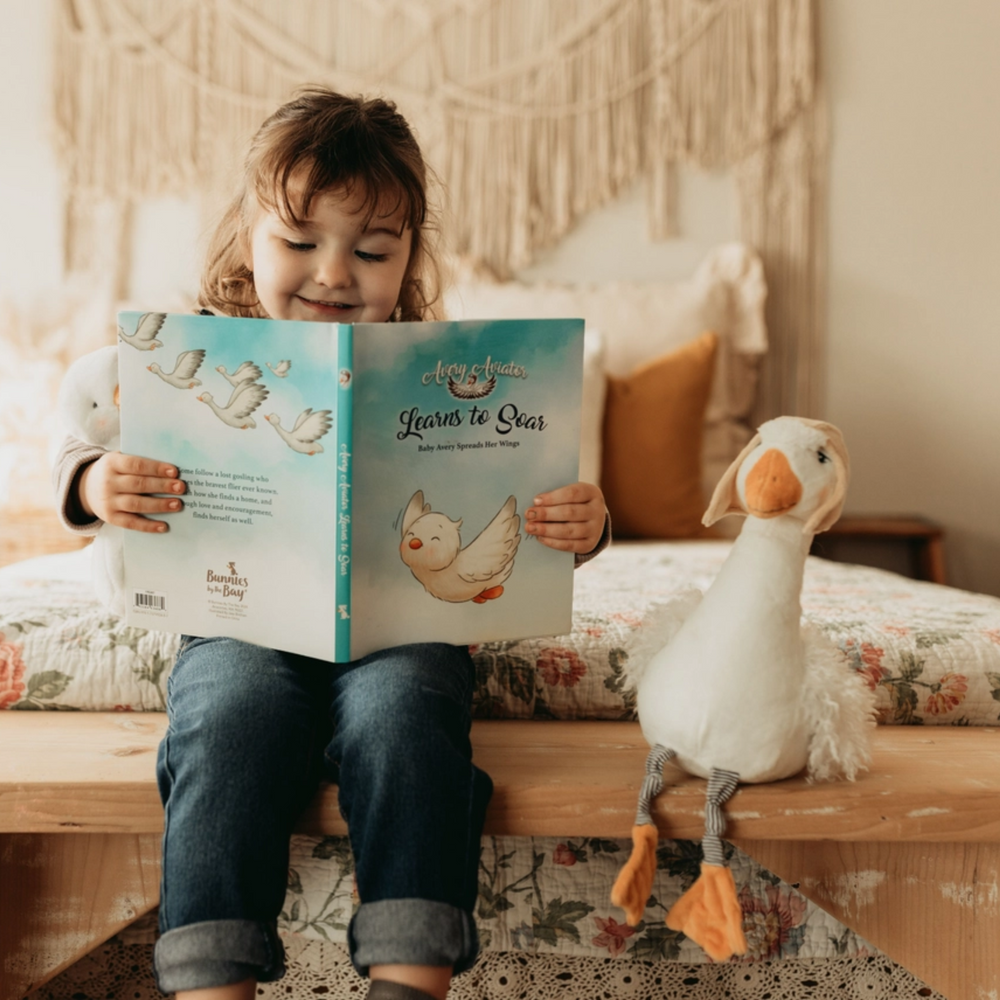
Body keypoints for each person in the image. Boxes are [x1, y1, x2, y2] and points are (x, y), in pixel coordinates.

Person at [53, 88, 610, 1000]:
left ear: (409, 258)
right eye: (300, 241)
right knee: (228, 716)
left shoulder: (445, 369)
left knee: (405, 717)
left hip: (402, 629)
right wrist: (90, 482)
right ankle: (209, 980)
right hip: (238, 618)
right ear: (247, 237)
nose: (335, 273)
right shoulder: (192, 358)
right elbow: (75, 450)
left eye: (373, 249)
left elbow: (531, 502)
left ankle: (409, 974)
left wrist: (585, 525)